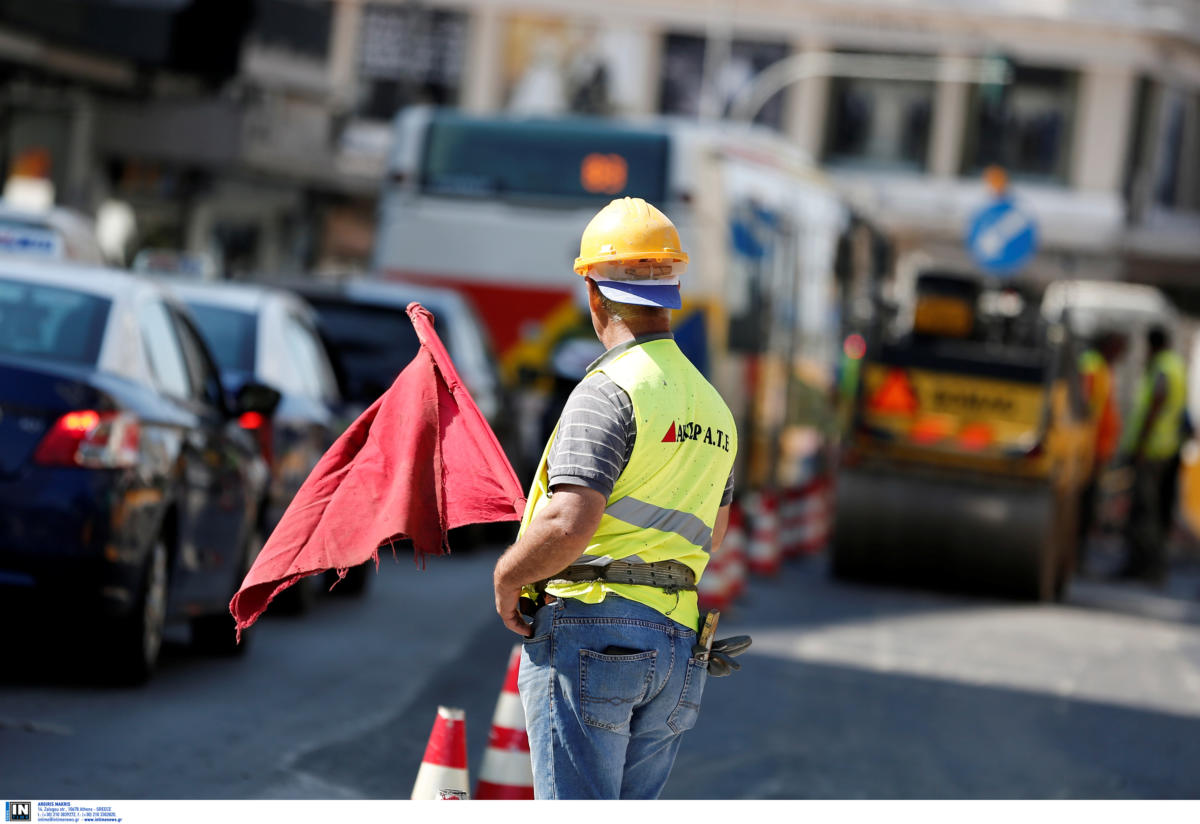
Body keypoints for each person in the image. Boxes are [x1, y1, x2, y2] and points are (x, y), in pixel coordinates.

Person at [492, 197, 748, 799]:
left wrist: (508, 578)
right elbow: (714, 534)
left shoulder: (607, 390)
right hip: (677, 648)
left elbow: (568, 525)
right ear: (672, 291)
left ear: (594, 293)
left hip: (592, 628)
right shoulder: (715, 409)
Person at [1119, 325, 1187, 583]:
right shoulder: (1177, 365)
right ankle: (1151, 568)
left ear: (1151, 345)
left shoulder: (1161, 367)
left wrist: (1140, 446)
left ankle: (1146, 568)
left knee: (1145, 512)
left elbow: (1156, 404)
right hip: (1167, 449)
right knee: (1157, 510)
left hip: (1153, 451)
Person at [1077, 331, 1125, 570]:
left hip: (1098, 449)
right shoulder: (1092, 366)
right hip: (1089, 450)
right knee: (1083, 505)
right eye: (1119, 347)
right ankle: (1076, 556)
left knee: (1090, 504)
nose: (1123, 353)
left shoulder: (1103, 367)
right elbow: (1085, 409)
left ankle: (1079, 556)